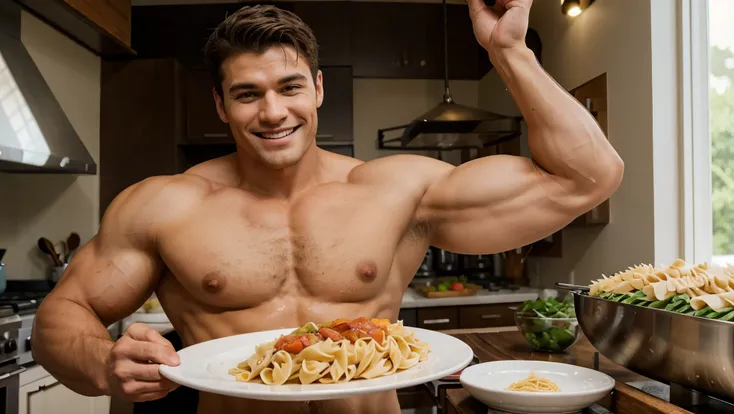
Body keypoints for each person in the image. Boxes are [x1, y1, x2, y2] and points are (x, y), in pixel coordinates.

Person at [31, 0, 624, 413]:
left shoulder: (396, 190)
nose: (272, 112)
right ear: (219, 105)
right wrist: (107, 361)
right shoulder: (165, 204)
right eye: (247, 94)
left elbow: (587, 176)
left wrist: (510, 51)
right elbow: (62, 316)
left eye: (289, 88)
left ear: (317, 89)